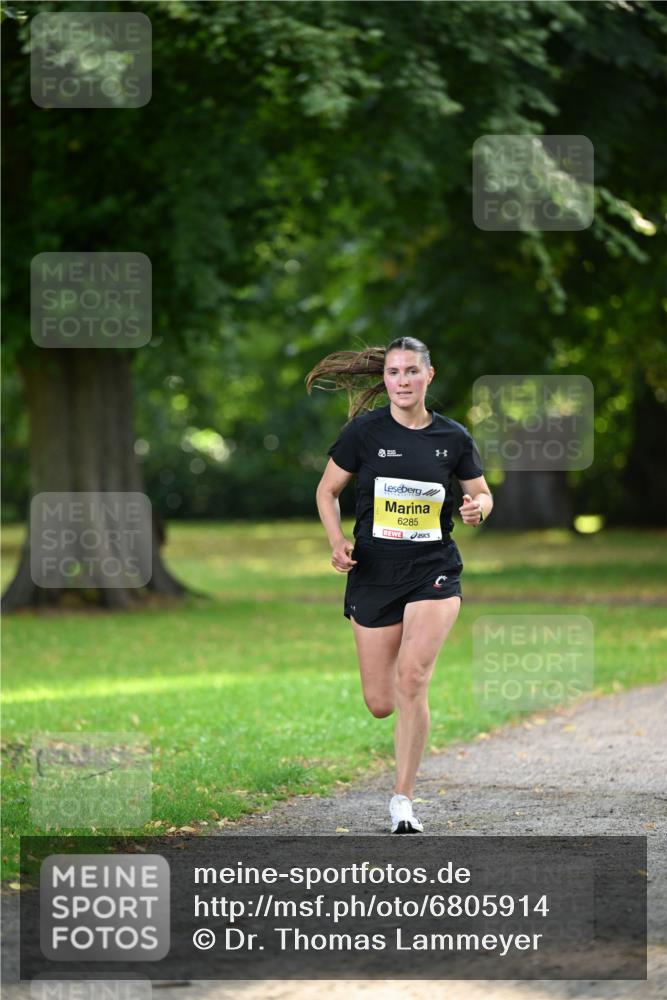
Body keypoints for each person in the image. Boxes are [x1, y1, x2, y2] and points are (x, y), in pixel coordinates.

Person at [307, 336, 493, 834]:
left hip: (433, 570)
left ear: (429, 376)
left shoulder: (453, 438)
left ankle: (402, 799)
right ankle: (403, 722)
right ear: (384, 379)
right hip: (373, 575)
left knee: (412, 677)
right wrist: (336, 541)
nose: (403, 381)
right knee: (381, 702)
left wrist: (477, 508)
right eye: (393, 373)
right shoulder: (364, 433)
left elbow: (481, 494)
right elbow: (327, 492)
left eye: (412, 371)